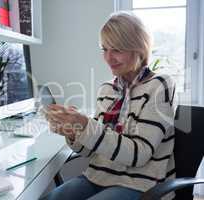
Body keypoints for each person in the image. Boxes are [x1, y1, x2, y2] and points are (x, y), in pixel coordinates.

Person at [42, 11, 176, 200]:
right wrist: (73, 131)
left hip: (142, 185)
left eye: (117, 50)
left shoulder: (159, 85)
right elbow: (91, 150)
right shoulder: (107, 89)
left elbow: (139, 154)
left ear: (138, 48)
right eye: (104, 49)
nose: (108, 58)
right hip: (98, 178)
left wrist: (86, 126)